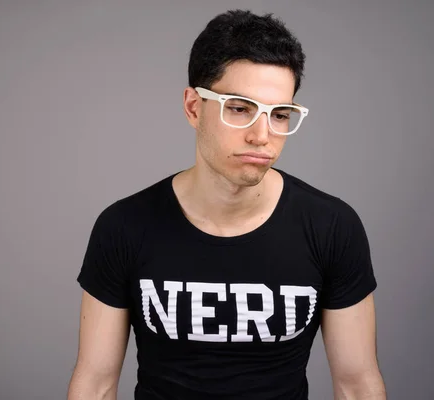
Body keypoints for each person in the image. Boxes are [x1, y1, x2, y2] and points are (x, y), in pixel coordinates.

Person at [67, 9, 386, 400]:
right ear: (193, 107)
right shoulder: (124, 227)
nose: (261, 135)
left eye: (280, 114)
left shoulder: (332, 227)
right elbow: (96, 384)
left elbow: (356, 385)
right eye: (239, 108)